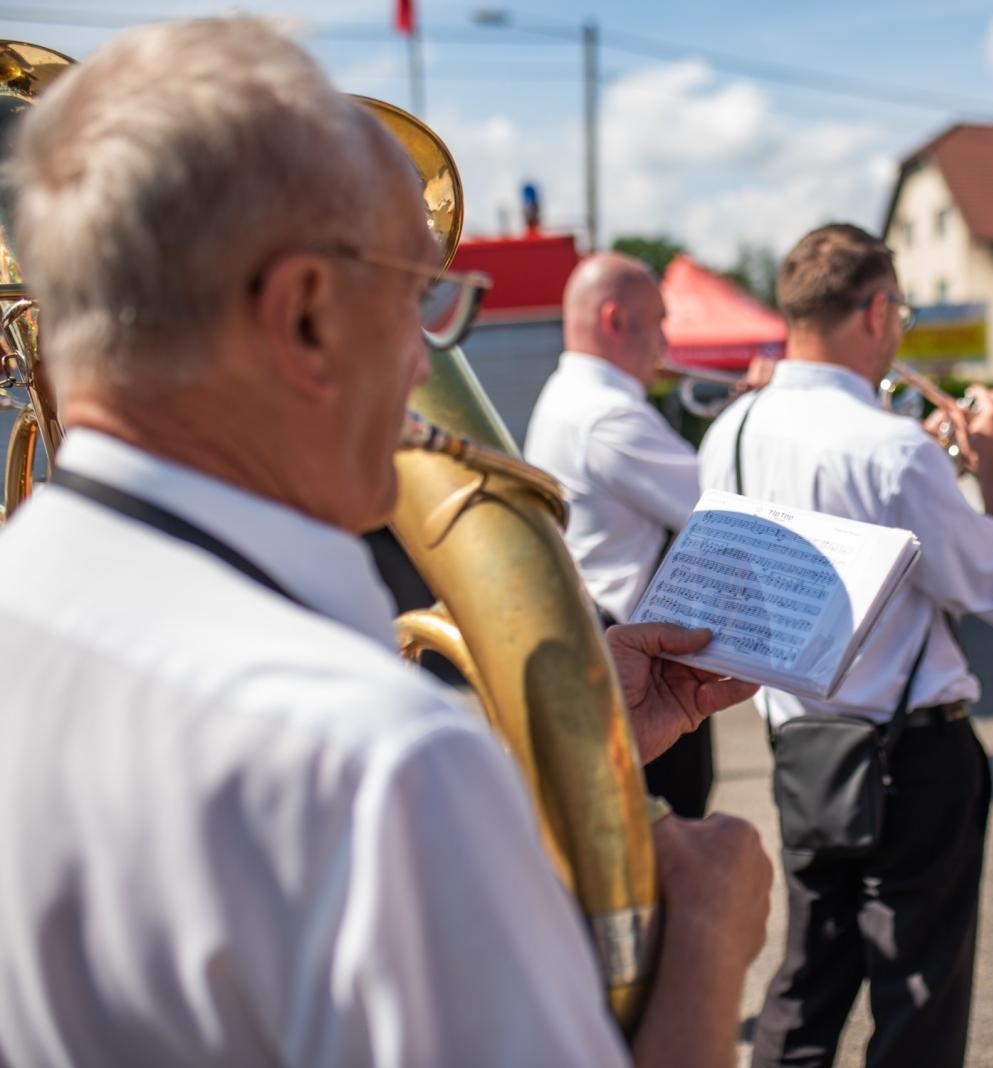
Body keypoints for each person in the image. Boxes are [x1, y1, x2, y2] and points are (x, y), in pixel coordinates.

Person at [0, 18, 772, 1066]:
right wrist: (711, 946)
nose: (424, 364)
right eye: (418, 300)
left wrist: (551, 772)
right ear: (307, 313)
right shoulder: (376, 768)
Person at [700, 223, 993, 1068]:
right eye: (901, 315)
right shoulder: (892, 448)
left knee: (807, 983)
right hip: (910, 753)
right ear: (878, 311)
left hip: (802, 745)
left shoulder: (729, 431)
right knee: (917, 999)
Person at [525, 252, 715, 816]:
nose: (665, 341)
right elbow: (724, 506)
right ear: (615, 320)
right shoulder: (608, 415)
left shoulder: (564, 396)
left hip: (602, 653)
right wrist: (754, 415)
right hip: (638, 673)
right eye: (658, 321)